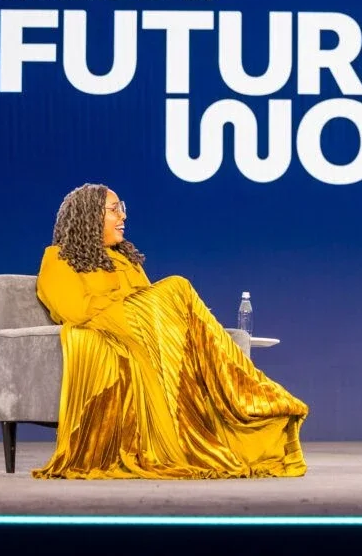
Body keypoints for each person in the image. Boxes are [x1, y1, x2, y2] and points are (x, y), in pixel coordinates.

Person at [31, 183, 308, 480]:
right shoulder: (58, 259)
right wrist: (134, 305)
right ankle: (239, 382)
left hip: (146, 339)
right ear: (88, 217)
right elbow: (75, 309)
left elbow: (152, 305)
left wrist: (149, 311)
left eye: (122, 208)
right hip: (110, 330)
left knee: (180, 302)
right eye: (114, 210)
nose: (122, 216)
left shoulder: (126, 261)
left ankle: (236, 390)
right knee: (177, 285)